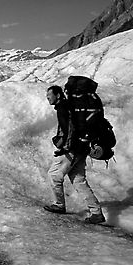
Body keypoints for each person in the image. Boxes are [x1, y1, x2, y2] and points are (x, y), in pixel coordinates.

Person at [43, 85, 106, 224]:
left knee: (54, 175)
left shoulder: (62, 107)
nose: (47, 97)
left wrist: (65, 147)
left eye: (49, 94)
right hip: (83, 147)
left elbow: (69, 129)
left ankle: (59, 205)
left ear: (58, 95)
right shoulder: (71, 106)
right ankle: (96, 213)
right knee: (79, 181)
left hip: (73, 149)